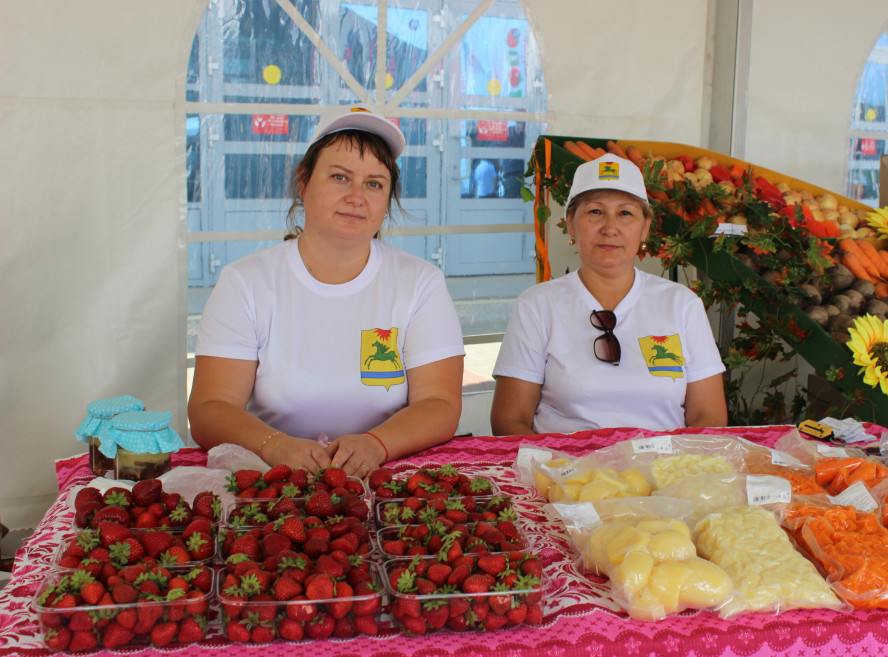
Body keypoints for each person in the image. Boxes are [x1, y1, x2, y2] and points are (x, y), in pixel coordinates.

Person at [189, 107, 465, 477]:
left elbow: (440, 403)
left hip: (386, 478)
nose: (356, 197)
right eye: (340, 177)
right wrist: (275, 445)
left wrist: (376, 444)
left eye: (374, 184)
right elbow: (210, 407)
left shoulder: (420, 283)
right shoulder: (246, 282)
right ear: (303, 182)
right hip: (274, 479)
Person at [491, 154, 727, 435]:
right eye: (595, 211)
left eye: (625, 213)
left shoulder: (681, 304)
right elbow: (510, 419)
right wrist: (563, 463)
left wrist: (673, 462)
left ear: (645, 227)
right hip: (566, 461)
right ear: (570, 223)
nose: (610, 228)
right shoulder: (538, 305)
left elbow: (708, 415)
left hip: (664, 461)